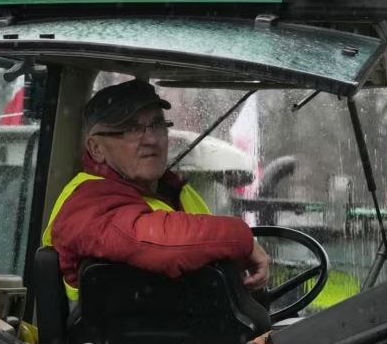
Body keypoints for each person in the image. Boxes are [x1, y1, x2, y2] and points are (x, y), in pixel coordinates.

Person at [42, 79, 269, 302]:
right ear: (96, 148)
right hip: (109, 339)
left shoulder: (178, 192)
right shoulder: (85, 201)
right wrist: (241, 239)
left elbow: (206, 255)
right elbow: (158, 245)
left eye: (157, 124)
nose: (151, 139)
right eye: (132, 128)